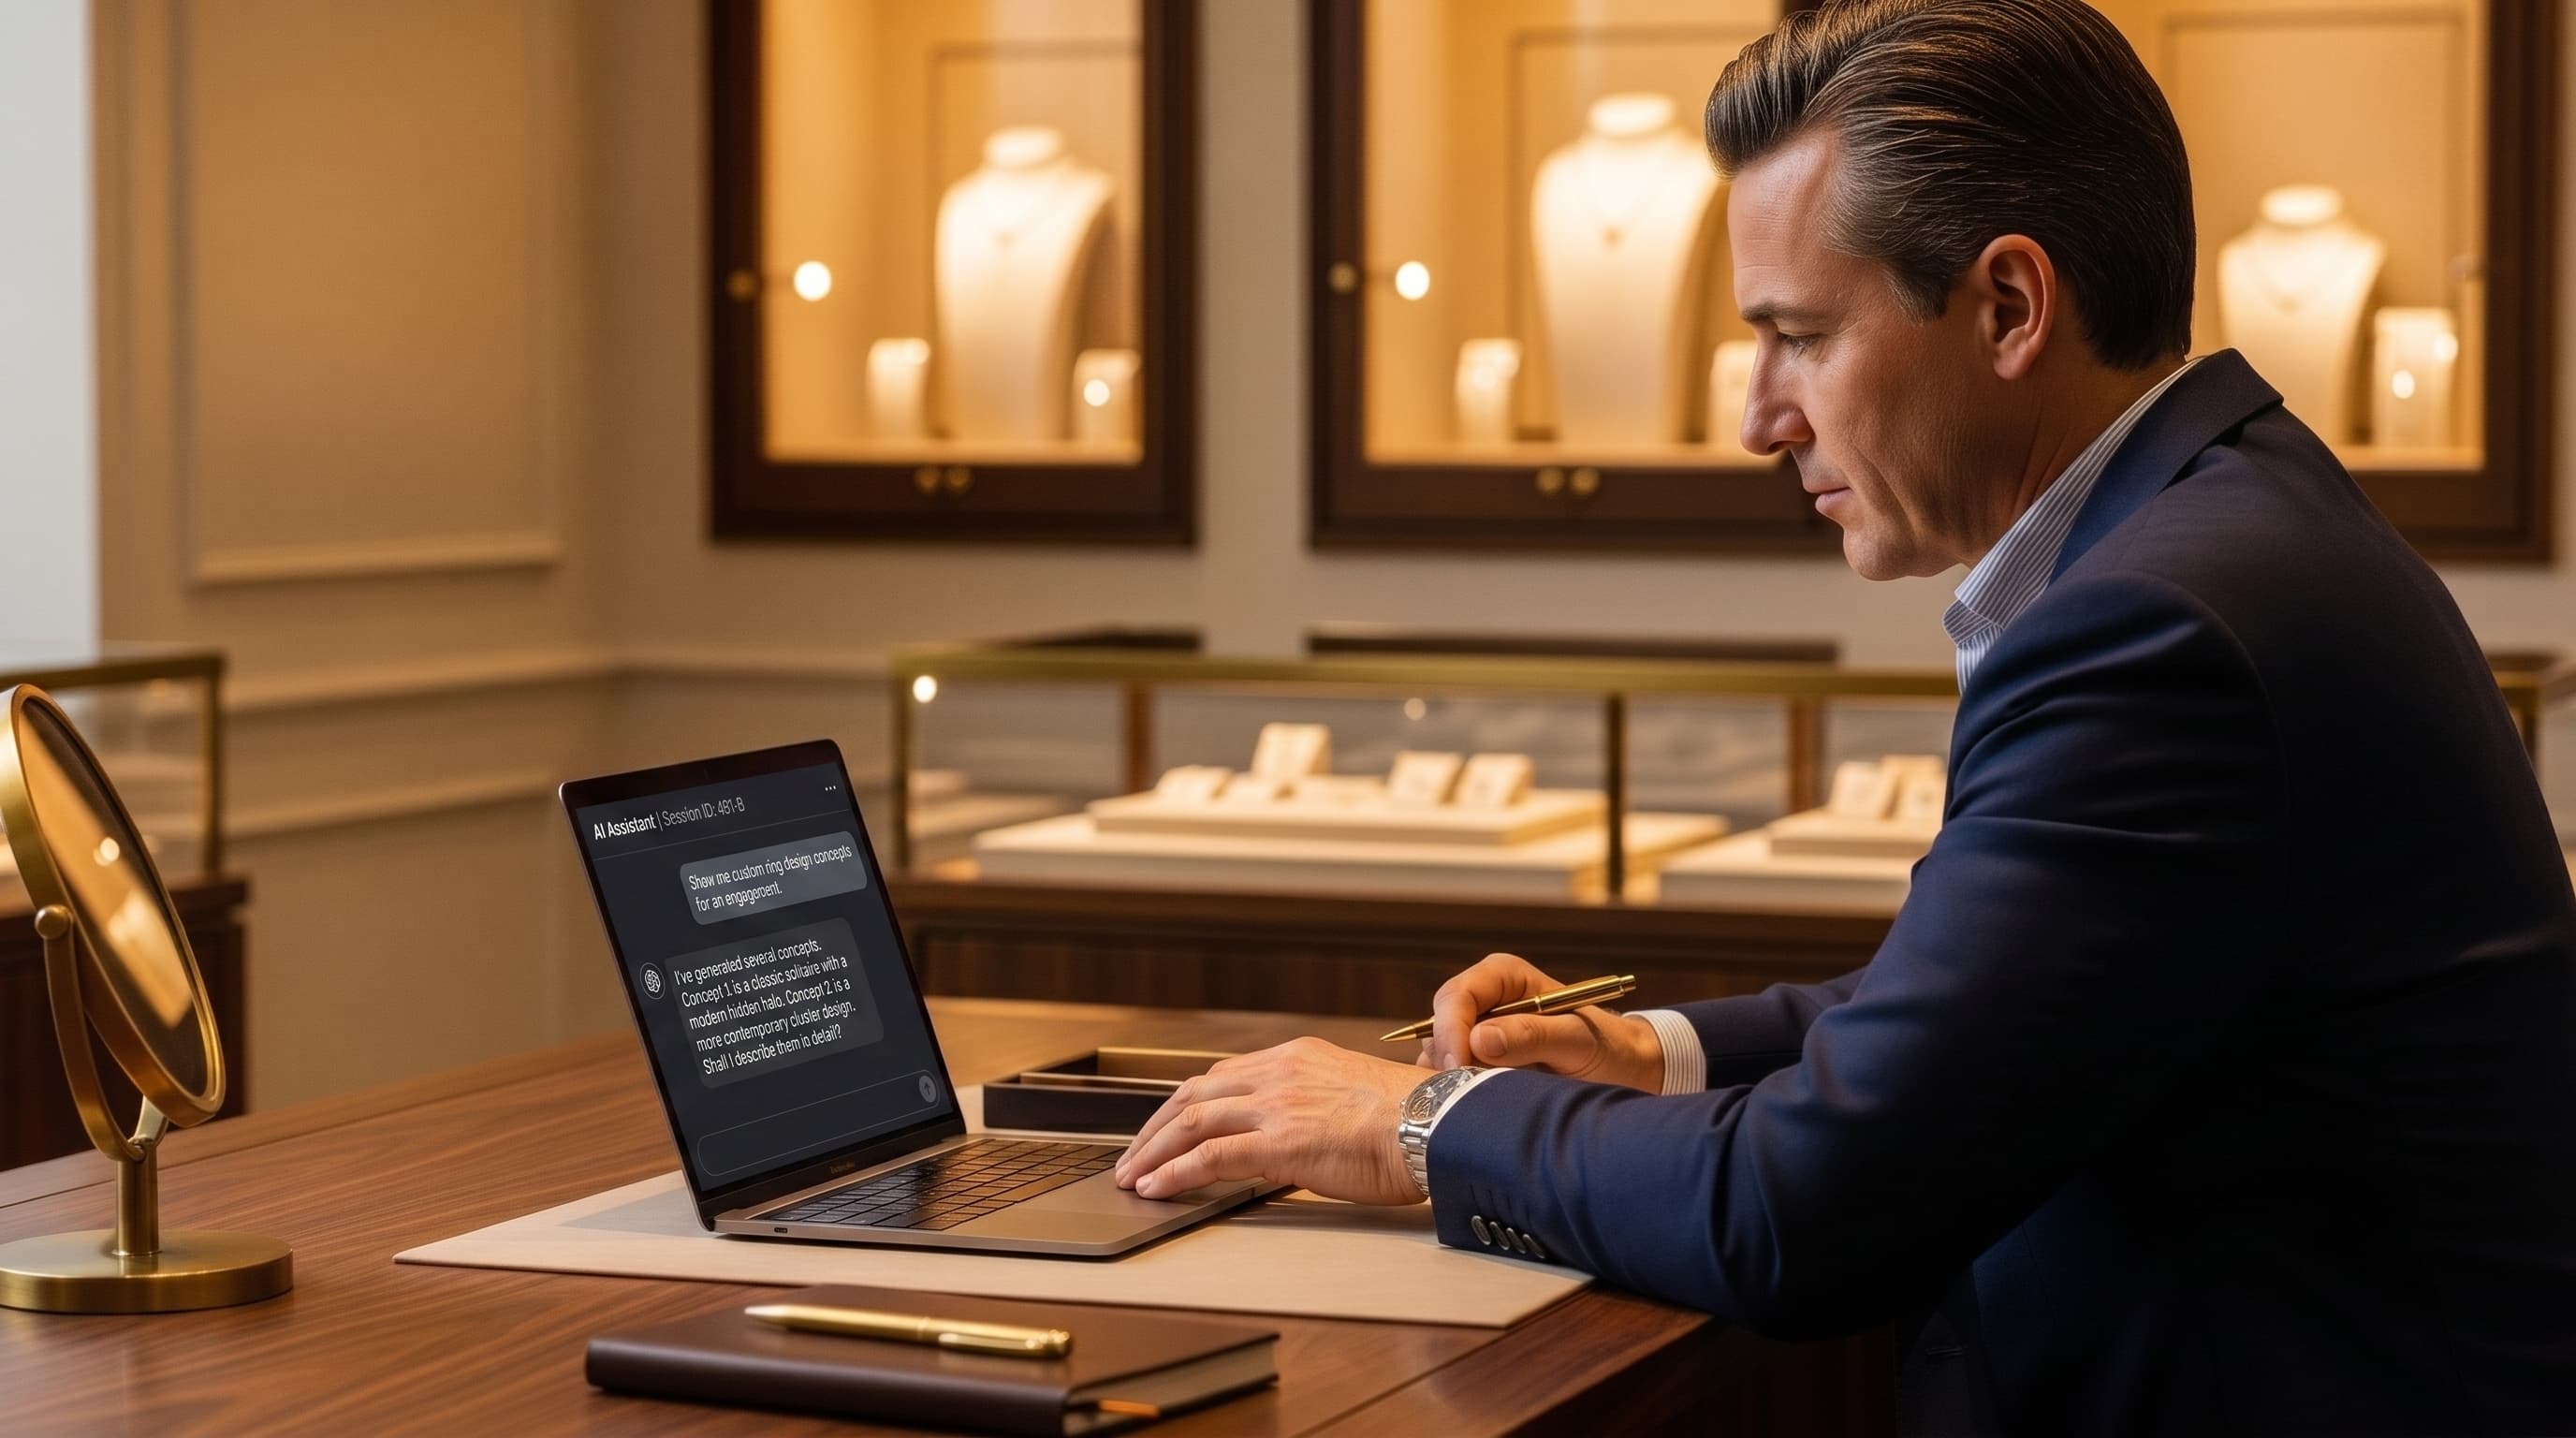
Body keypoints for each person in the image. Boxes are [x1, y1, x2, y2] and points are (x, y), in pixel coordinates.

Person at [1114, 0, 2576, 1430]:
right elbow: (2008, 1008)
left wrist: (1413, 1126)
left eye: (1797, 335)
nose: (1760, 414)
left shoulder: (2156, 630)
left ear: (2009, 306)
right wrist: (1658, 1053)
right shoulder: (2231, 527)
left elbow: (1809, 1213)